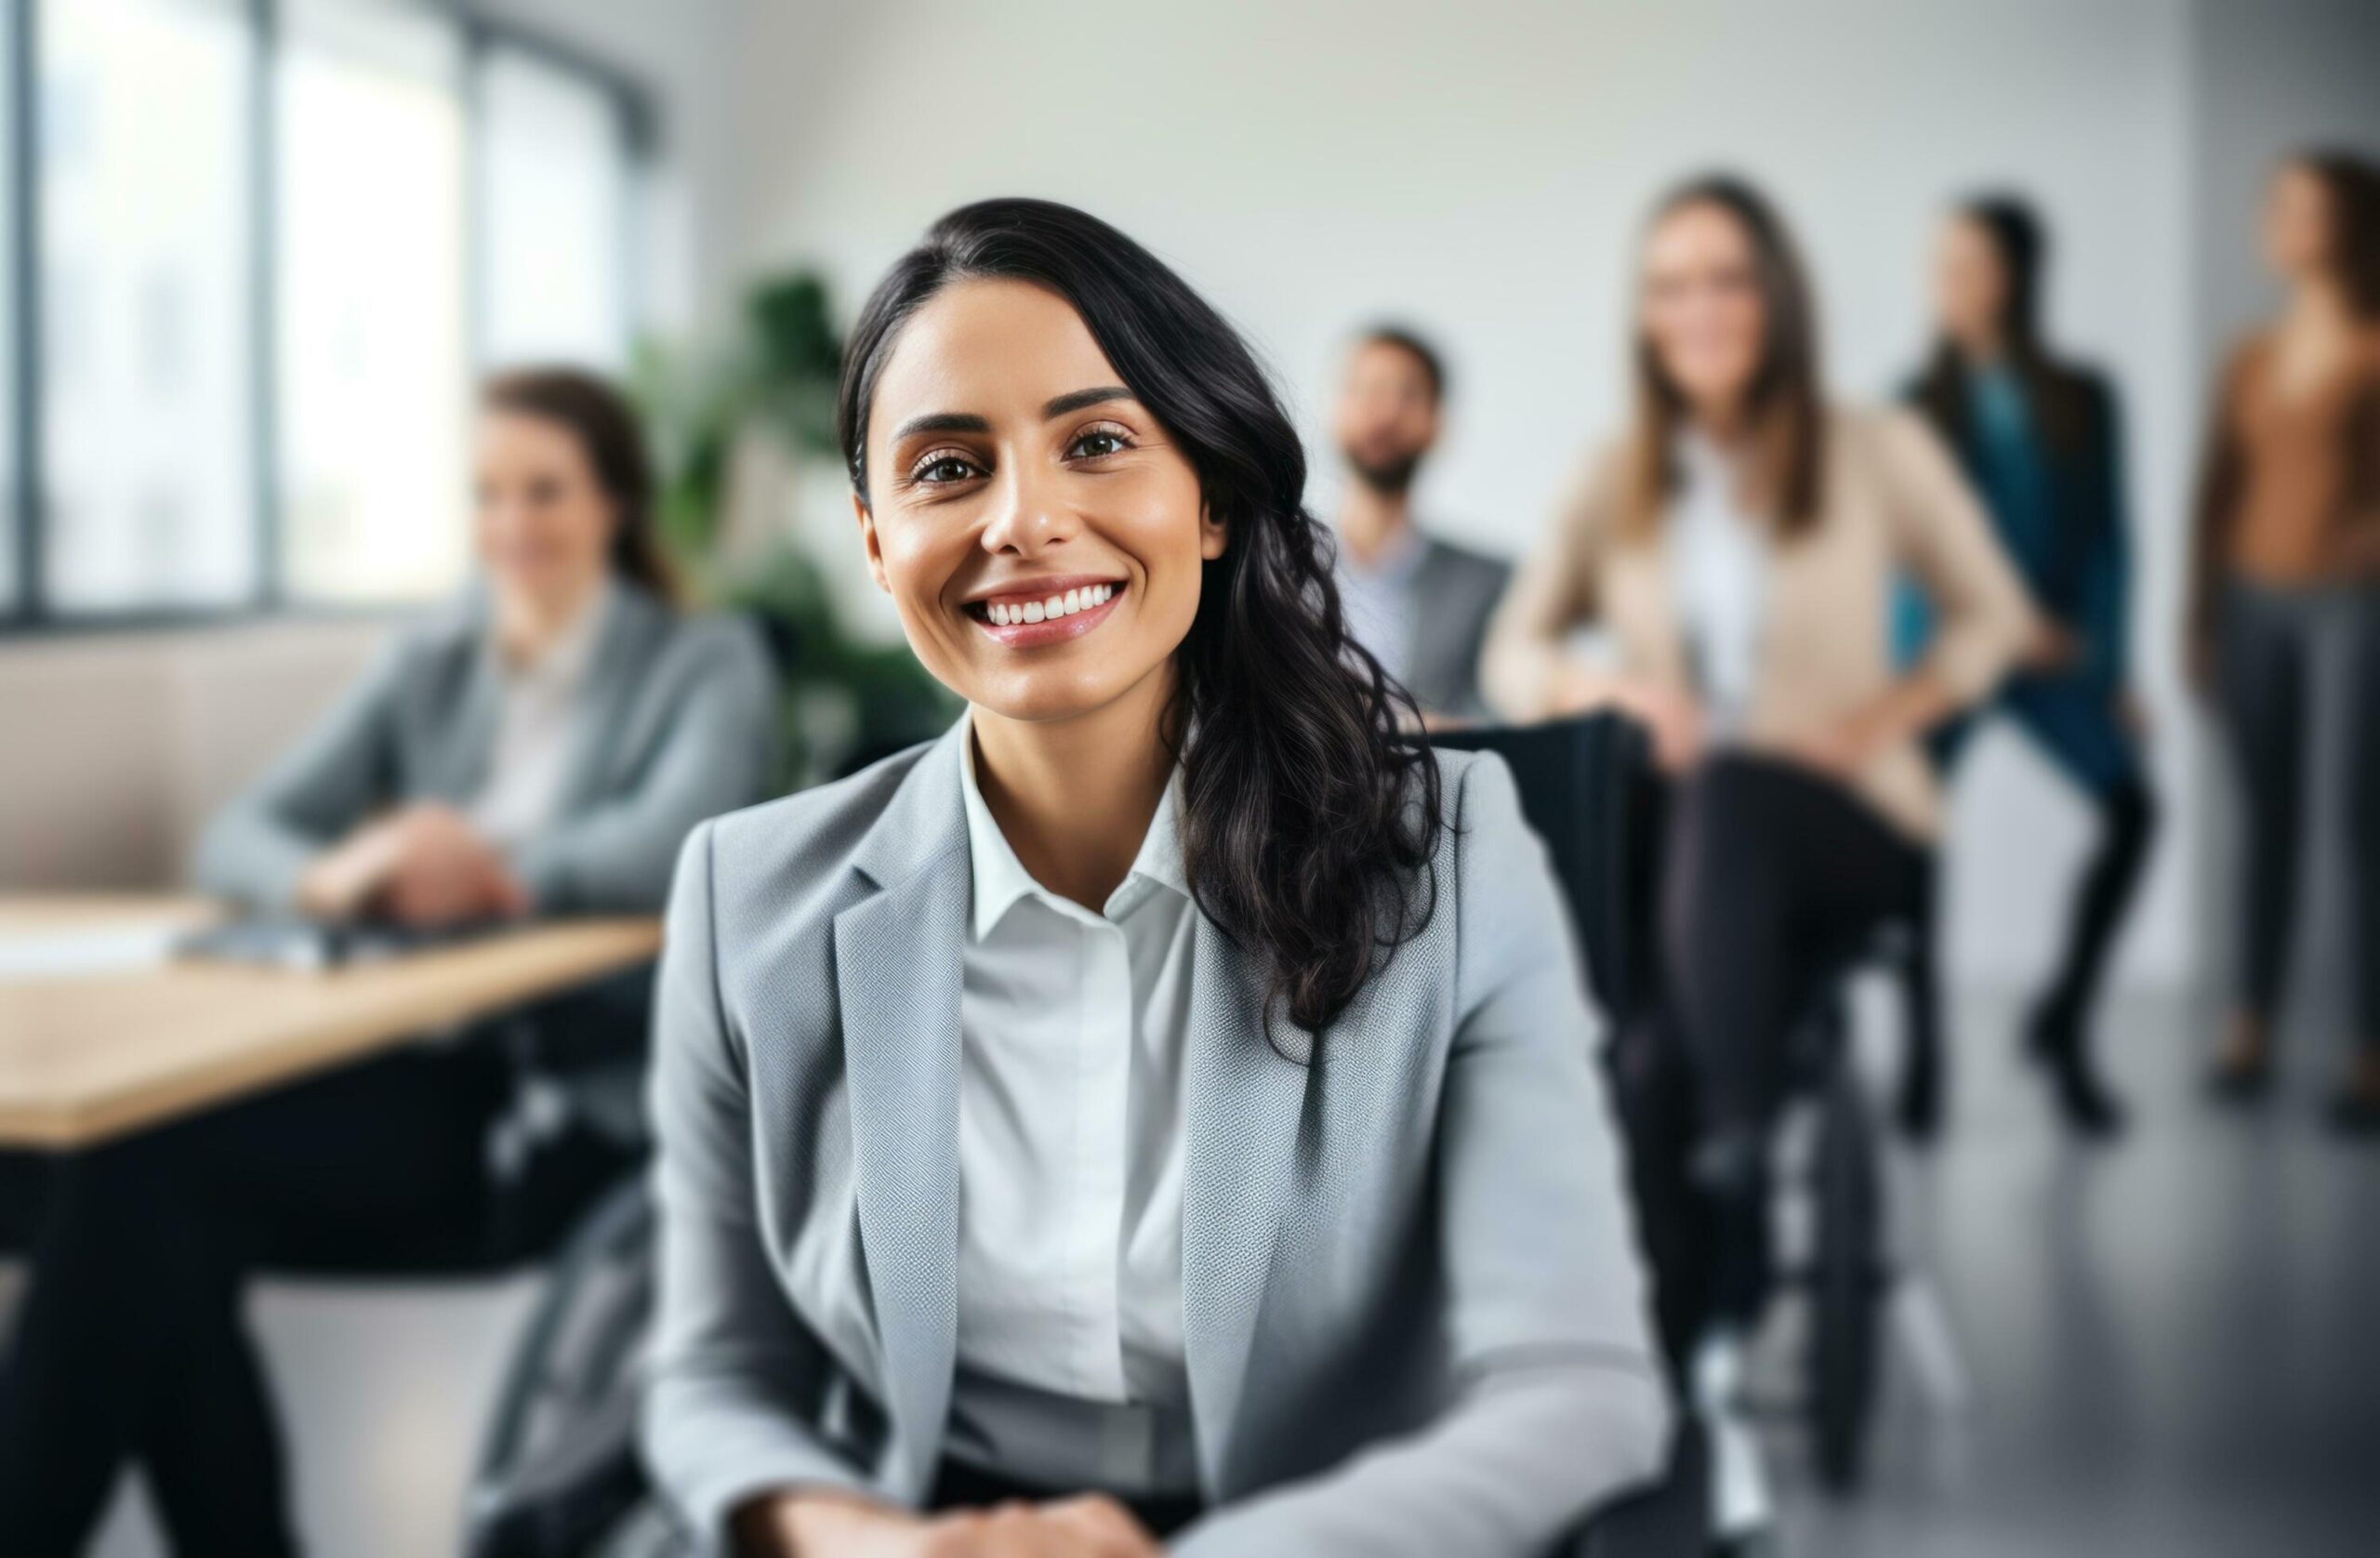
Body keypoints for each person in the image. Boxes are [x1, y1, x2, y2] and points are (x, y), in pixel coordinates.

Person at [640, 198, 1669, 1558]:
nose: (1024, 520)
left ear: (1214, 503)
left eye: (1100, 443)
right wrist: (884, 1551)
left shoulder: (1455, 853)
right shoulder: (746, 897)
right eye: (948, 469)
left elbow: (1575, 1391)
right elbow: (714, 1383)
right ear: (878, 541)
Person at [0, 368, 780, 1557]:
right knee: (106, 1178)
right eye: (486, 495)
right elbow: (240, 832)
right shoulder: (431, 659)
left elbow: (687, 837)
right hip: (393, 1060)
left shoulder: (703, 659)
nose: (511, 525)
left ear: (615, 502)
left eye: (544, 491)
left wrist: (488, 866)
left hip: (548, 1105)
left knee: (133, 1192)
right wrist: (346, 870)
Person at [1482, 174, 2031, 1544]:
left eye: (1727, 279)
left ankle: (1732, 1153)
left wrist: (1876, 722)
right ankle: (1672, 1377)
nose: (1701, 310)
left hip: (1838, 824)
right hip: (1689, 849)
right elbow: (1511, 649)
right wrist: (1602, 689)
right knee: (1646, 1041)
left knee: (1726, 799)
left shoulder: (1871, 448)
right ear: (1647, 315)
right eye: (1672, 286)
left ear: (1774, 297)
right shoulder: (1619, 475)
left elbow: (1992, 620)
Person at [1897, 194, 2159, 1138]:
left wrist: (2112, 664)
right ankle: (1923, 1053)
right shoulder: (1911, 401)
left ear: (2017, 274)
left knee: (2133, 811)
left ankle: (2063, 1024)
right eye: (1942, 265)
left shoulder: (2084, 395)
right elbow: (1906, 551)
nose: (1952, 284)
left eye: (1972, 263)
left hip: (2056, 653)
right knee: (1913, 831)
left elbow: (2110, 543)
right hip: (1950, 650)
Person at [2188, 150, 2380, 1132]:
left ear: (2350, 220)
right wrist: (2197, 623)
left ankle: (2366, 1049)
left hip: (2353, 607)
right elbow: (2211, 496)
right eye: (2276, 204)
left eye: (2303, 205)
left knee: (2357, 828)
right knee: (2263, 820)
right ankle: (2251, 1023)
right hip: (2252, 600)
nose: (2282, 220)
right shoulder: (2250, 357)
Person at [1328, 323, 1510, 720]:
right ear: (1336, 410)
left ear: (1436, 424)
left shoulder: (1490, 586)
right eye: (1368, 390)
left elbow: (1504, 715)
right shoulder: (1270, 571)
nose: (1386, 412)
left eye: (1408, 395)